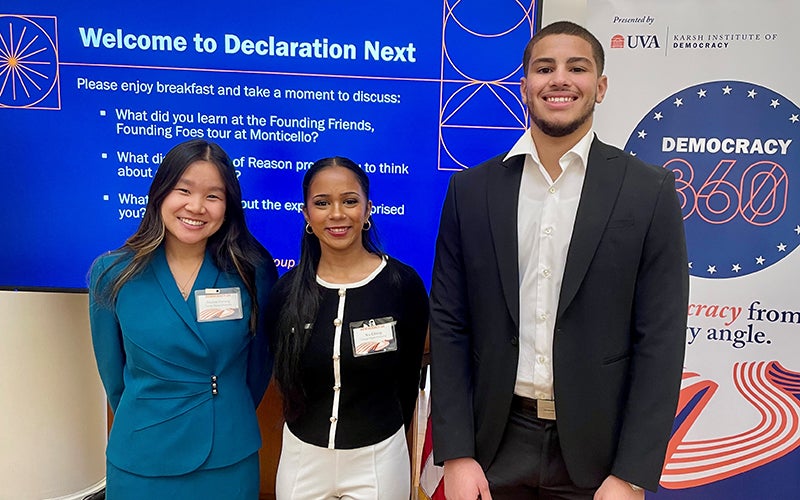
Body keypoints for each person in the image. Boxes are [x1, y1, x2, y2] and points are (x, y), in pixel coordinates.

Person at [429, 21, 689, 499]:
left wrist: (632, 472)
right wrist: (456, 454)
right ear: (524, 85)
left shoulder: (648, 191)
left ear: (601, 86)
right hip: (493, 447)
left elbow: (662, 339)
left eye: (578, 67)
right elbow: (449, 324)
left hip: (599, 458)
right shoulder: (472, 191)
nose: (560, 79)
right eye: (544, 68)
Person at [89, 139, 277, 499]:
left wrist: (221, 407)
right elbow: (114, 379)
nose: (196, 206)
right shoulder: (113, 273)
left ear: (228, 206)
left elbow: (258, 366)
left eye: (213, 196)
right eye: (184, 190)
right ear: (160, 193)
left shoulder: (252, 270)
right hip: (143, 454)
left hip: (227, 454)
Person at [267, 156, 428, 499]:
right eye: (322, 203)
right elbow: (283, 374)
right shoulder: (286, 292)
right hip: (303, 455)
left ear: (368, 209)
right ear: (307, 215)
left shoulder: (403, 285)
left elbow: (408, 378)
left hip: (378, 455)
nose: (337, 214)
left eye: (350, 201)